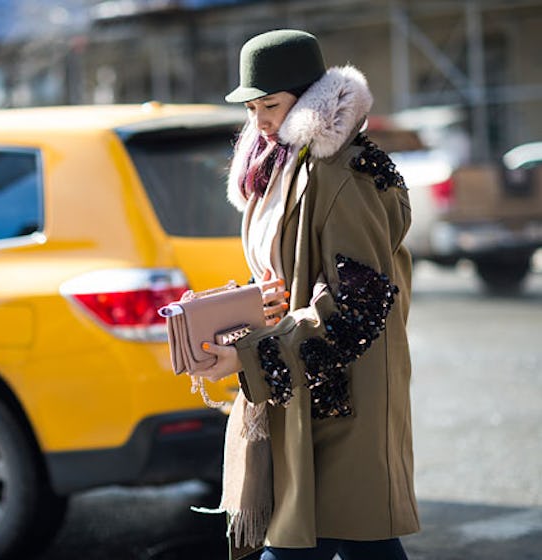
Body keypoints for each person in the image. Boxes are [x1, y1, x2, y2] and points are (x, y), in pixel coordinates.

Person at [191, 29, 419, 560]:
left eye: (269, 105)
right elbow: (302, 274)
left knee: (303, 541)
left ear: (306, 97)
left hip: (346, 398)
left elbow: (359, 305)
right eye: (251, 108)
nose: (259, 121)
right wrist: (261, 303)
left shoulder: (340, 171)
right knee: (365, 540)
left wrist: (249, 356)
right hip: (313, 388)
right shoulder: (287, 163)